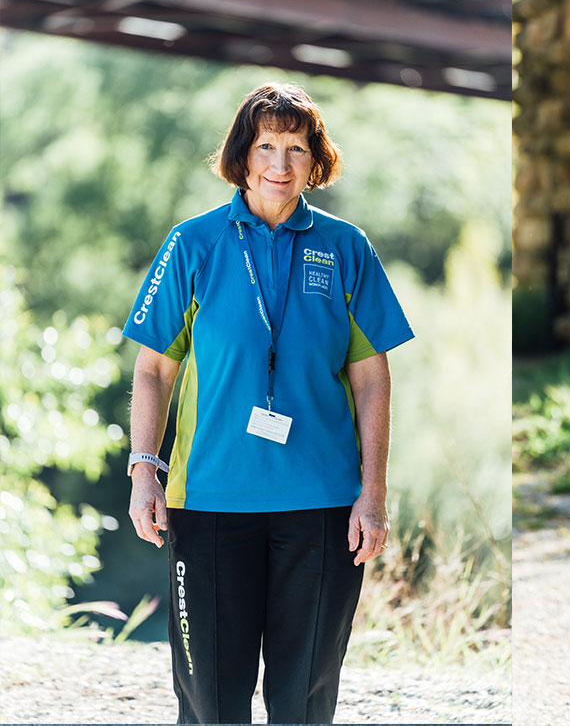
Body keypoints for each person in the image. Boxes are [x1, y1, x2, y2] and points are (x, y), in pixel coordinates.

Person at [124, 83, 414, 724]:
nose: (280, 165)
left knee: (302, 703)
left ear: (316, 159)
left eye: (296, 148)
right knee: (212, 703)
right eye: (265, 147)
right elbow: (152, 370)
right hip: (208, 504)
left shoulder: (345, 248)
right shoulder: (193, 244)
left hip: (323, 506)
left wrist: (373, 491)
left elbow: (372, 378)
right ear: (242, 155)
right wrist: (144, 468)